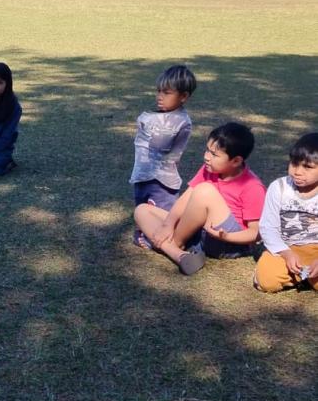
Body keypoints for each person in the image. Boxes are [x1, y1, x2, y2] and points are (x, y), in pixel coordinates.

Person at [134, 122, 265, 276]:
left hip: (227, 242)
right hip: (202, 233)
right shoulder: (209, 169)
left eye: (214, 154)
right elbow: (187, 197)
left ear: (236, 161)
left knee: (204, 191)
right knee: (142, 210)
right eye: (207, 150)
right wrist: (168, 224)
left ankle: (172, 243)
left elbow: (255, 233)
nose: (206, 157)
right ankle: (179, 255)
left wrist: (227, 236)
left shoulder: (252, 186)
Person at [129, 65, 197, 247]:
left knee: (161, 211)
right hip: (143, 173)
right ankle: (143, 233)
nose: (160, 97)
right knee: (141, 206)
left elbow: (159, 142)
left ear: (183, 96)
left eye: (166, 93)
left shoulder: (181, 121)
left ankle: (165, 240)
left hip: (163, 180)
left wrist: (145, 122)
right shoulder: (161, 116)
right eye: (158, 91)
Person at [254, 132, 318, 292]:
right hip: (284, 247)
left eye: (308, 167)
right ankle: (301, 275)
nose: (298, 172)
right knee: (267, 281)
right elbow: (268, 227)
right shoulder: (279, 188)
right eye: (294, 164)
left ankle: (304, 275)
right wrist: (287, 253)